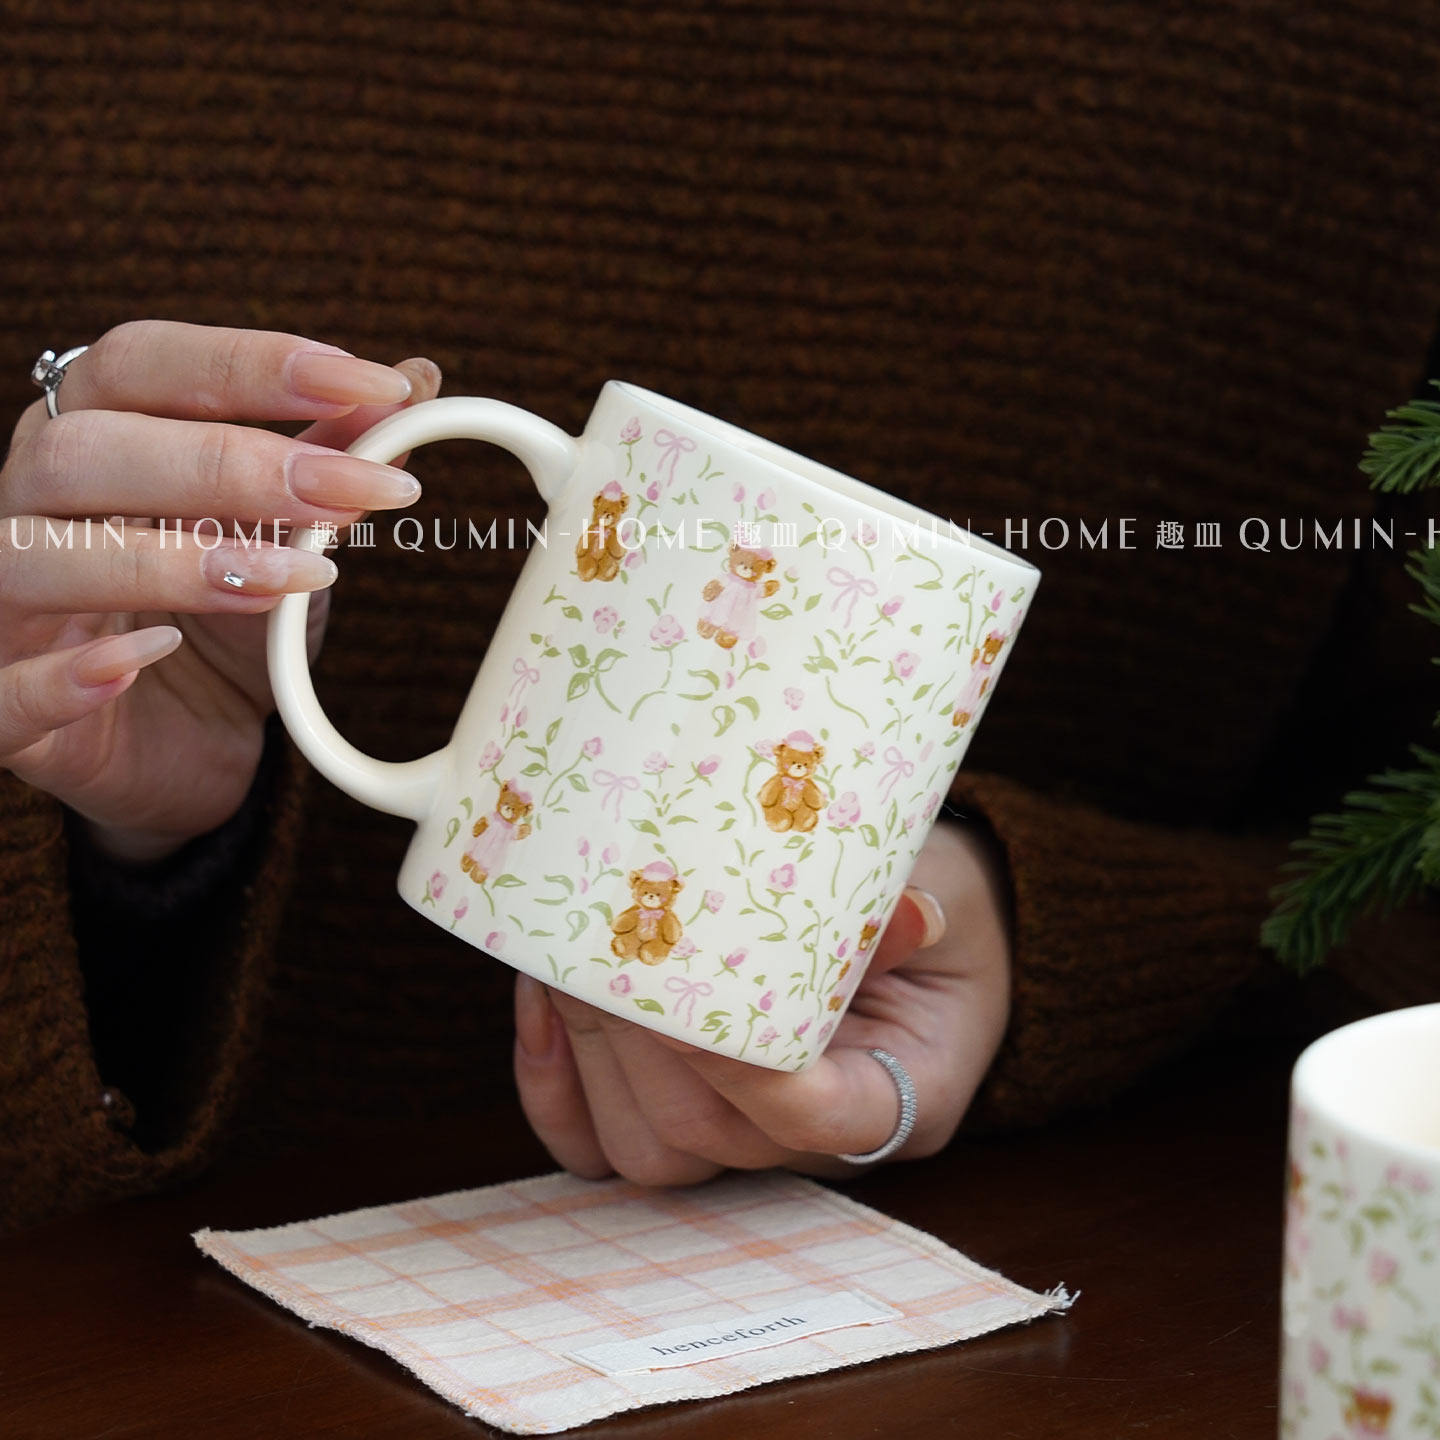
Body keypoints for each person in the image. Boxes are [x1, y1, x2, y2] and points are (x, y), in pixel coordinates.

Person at [2, 3, 1439, 1235]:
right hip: (139, 1318)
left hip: (1039, 1293)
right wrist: (106, 835)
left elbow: (1404, 854)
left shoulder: (1361, 59)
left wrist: (1042, 933)